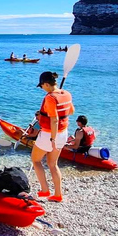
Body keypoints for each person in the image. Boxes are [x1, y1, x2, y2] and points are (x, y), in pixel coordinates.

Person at [31, 71, 74, 202]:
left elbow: (54, 120)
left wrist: (52, 139)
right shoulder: (66, 93)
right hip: (63, 133)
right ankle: (57, 194)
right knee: (52, 164)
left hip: (50, 134)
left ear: (46, 84)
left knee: (36, 160)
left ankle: (44, 190)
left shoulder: (50, 98)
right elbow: (71, 111)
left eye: (42, 86)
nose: (42, 89)